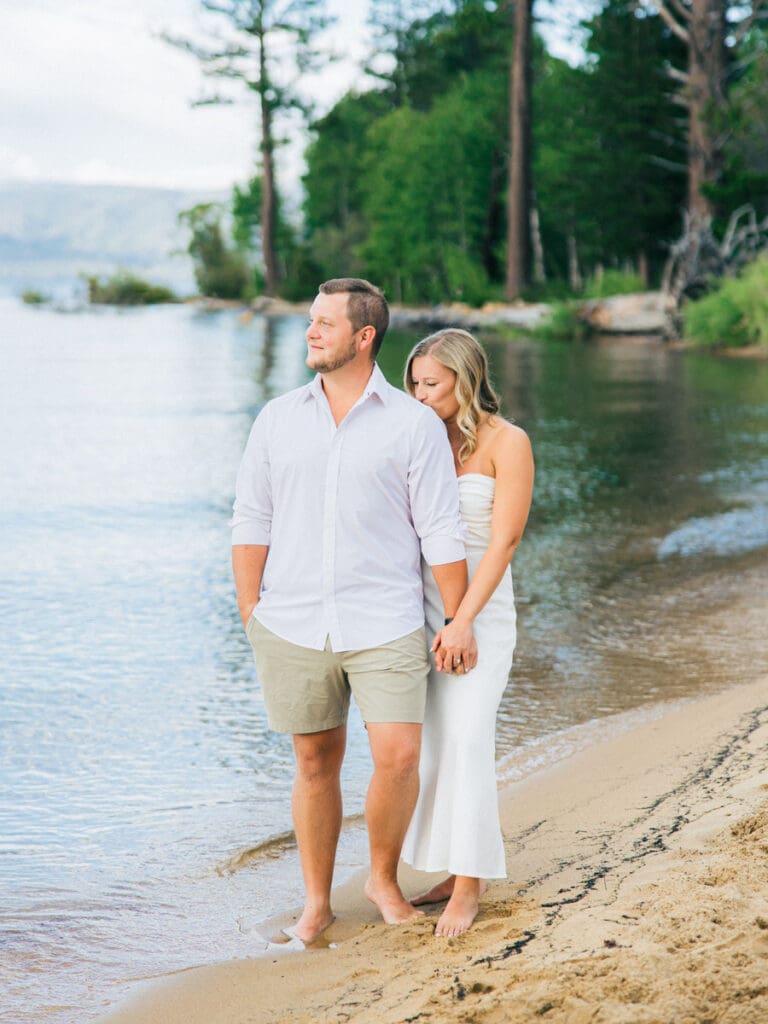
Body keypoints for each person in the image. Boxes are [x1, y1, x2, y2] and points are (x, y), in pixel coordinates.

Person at [230, 279, 477, 947]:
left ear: (364, 337)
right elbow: (252, 520)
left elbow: (440, 532)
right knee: (315, 761)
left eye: (324, 324)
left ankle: (381, 879)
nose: (310, 332)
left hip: (386, 619)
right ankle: (315, 904)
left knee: (398, 756)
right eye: (310, 321)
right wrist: (250, 611)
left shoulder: (413, 424)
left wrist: (458, 618)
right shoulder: (277, 419)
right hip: (292, 621)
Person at [400, 328, 534, 938]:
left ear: (465, 379)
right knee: (435, 745)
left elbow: (503, 542)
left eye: (432, 384)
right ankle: (453, 870)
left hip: (480, 611)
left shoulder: (510, 442)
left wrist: (463, 621)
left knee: (470, 736)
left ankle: (471, 886)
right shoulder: (423, 442)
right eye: (414, 385)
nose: (420, 395)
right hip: (422, 609)